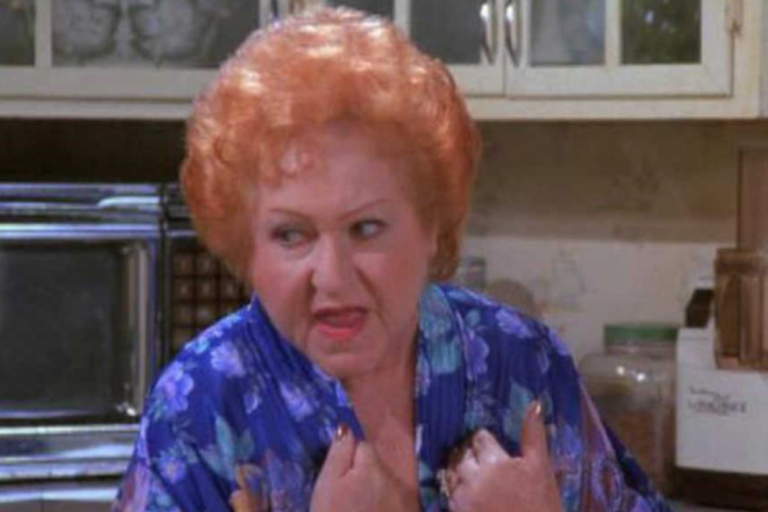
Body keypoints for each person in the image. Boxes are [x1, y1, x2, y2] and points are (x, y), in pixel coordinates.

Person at [112, 7, 671, 512]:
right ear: (245, 244)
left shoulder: (521, 364)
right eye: (291, 235)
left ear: (431, 226)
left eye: (366, 229)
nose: (332, 278)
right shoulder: (201, 405)